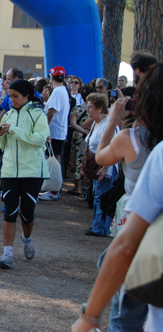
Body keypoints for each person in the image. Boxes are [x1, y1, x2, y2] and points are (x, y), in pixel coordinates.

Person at [72, 64, 163, 332]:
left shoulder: (132, 138)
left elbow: (99, 156)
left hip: (139, 219)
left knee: (127, 308)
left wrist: (113, 118)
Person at [0, 80, 50, 269]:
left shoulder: (37, 114)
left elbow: (40, 139)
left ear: (27, 96)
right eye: (10, 96)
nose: (12, 100)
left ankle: (26, 239)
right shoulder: (7, 115)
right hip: (9, 171)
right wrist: (1, 135)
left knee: (27, 213)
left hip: (32, 172)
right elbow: (3, 146)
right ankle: (7, 253)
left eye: (15, 96)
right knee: (9, 212)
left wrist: (14, 130)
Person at [83, 93, 117, 237]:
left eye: (90, 107)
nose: (87, 110)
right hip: (96, 166)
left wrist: (105, 168)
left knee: (102, 197)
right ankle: (97, 226)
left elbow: (113, 148)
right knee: (97, 196)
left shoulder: (108, 125)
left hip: (105, 168)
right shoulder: (96, 123)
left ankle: (101, 228)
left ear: (100, 109)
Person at [39, 66, 70, 201]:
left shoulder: (58, 92)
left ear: (52, 77)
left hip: (54, 131)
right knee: (54, 159)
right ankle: (54, 189)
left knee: (53, 160)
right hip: (58, 131)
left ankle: (54, 190)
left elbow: (51, 111)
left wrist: (44, 129)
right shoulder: (62, 91)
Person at [66, 85, 95, 195]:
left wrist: (83, 131)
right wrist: (88, 132)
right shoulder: (96, 110)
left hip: (78, 138)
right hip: (91, 137)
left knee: (77, 160)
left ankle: (77, 187)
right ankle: (89, 186)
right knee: (89, 160)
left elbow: (72, 123)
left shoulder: (77, 108)